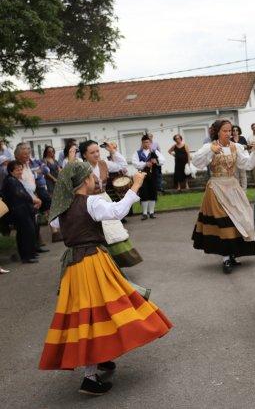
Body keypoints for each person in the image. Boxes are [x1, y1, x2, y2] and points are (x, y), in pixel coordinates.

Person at [39, 162, 172, 395]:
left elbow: (54, 224)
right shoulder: (91, 202)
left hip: (73, 266)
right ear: (85, 181)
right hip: (92, 262)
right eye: (91, 176)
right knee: (97, 313)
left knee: (88, 313)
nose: (94, 179)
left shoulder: (64, 206)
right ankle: (89, 378)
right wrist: (137, 184)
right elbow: (118, 212)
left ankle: (101, 358)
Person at [191, 120, 255, 273]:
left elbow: (246, 165)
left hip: (232, 186)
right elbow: (196, 161)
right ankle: (226, 258)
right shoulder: (211, 147)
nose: (228, 133)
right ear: (217, 132)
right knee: (224, 222)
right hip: (216, 188)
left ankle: (233, 254)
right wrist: (210, 148)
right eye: (225, 131)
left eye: (230, 131)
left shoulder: (236, 147)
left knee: (239, 220)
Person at [79, 140, 142, 267]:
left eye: (97, 151)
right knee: (96, 232)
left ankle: (117, 262)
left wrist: (112, 150)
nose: (96, 154)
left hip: (104, 198)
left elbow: (122, 164)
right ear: (84, 155)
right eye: (92, 152)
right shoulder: (80, 167)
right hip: (89, 201)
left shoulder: (104, 163)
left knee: (113, 229)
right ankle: (100, 263)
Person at [1, 161, 41, 263]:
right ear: (11, 171)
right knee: (26, 232)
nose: (20, 171)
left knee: (26, 232)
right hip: (18, 211)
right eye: (17, 170)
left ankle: (29, 254)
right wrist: (33, 200)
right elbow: (20, 194)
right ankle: (27, 256)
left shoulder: (13, 180)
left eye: (20, 169)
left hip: (22, 209)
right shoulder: (11, 181)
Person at [14, 143, 49, 252]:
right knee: (26, 227)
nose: (27, 156)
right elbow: (20, 185)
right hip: (24, 200)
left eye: (28, 153)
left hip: (32, 195)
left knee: (35, 224)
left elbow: (40, 173)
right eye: (25, 154)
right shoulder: (16, 166)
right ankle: (28, 251)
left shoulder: (27, 164)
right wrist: (32, 198)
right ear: (18, 155)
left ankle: (35, 247)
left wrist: (35, 195)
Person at [132, 135, 165, 220]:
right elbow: (135, 163)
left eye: (147, 142)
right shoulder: (138, 153)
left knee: (152, 193)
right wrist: (145, 164)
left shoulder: (155, 152)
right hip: (142, 175)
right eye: (144, 142)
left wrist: (156, 161)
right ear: (142, 143)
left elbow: (162, 160)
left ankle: (151, 212)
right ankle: (144, 213)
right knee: (144, 193)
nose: (146, 144)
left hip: (153, 175)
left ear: (150, 143)